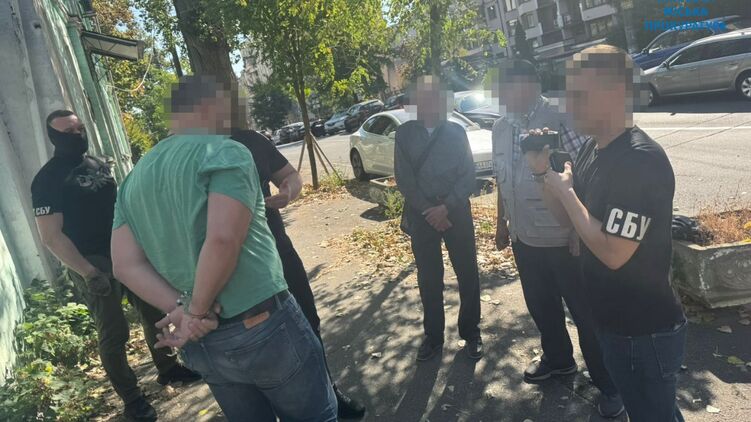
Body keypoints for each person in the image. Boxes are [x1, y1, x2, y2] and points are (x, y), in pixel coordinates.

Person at [110, 75, 337, 421]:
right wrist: (197, 311)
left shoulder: (133, 179)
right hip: (260, 323)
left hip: (203, 342)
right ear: (208, 106)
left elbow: (125, 265)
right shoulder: (225, 151)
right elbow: (222, 240)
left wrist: (182, 310)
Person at [524, 45, 687, 421]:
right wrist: (542, 174)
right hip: (610, 322)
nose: (569, 105)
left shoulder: (639, 160)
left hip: (644, 331)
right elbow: (570, 221)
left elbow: (614, 252)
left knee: (654, 415)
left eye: (578, 94)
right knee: (652, 412)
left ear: (614, 94)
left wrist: (566, 192)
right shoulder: (592, 150)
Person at [31, 110, 200, 422]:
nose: (78, 134)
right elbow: (51, 236)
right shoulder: (47, 179)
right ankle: (133, 400)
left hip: (125, 251)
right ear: (53, 137)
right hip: (92, 262)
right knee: (114, 332)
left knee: (155, 313)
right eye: (69, 132)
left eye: (80, 128)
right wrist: (88, 272)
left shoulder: (96, 163)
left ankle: (168, 368)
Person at [491, 60, 623, 418]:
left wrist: (581, 229)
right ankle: (559, 359)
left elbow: (588, 175)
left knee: (586, 314)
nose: (505, 95)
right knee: (541, 306)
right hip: (524, 237)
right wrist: (502, 223)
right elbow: (502, 177)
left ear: (532, 85)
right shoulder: (500, 127)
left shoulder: (563, 118)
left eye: (511, 86)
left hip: (565, 239)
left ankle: (610, 384)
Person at [230, 128, 366, 418]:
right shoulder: (195, 150)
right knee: (257, 342)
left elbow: (291, 175)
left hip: (279, 253)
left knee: (308, 322)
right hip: (231, 268)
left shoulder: (252, 140)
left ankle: (328, 391)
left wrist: (288, 192)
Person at [394, 75, 483, 362]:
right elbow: (404, 180)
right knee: (429, 279)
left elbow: (468, 175)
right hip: (422, 215)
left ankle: (471, 332)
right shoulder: (404, 134)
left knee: (467, 273)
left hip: (456, 211)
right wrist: (430, 211)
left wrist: (447, 207)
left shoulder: (456, 131)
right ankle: (433, 337)